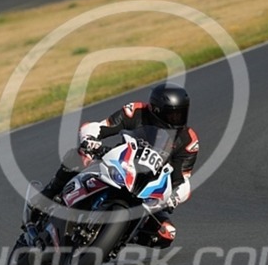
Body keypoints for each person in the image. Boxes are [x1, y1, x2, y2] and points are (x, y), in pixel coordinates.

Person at [34, 82, 199, 248]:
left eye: (181, 113)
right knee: (79, 155)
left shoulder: (188, 140)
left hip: (149, 190)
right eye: (173, 115)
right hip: (120, 165)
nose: (178, 119)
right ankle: (47, 196)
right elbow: (101, 126)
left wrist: (174, 198)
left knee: (166, 233)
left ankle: (117, 239)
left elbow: (182, 180)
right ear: (156, 110)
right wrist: (90, 140)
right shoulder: (137, 112)